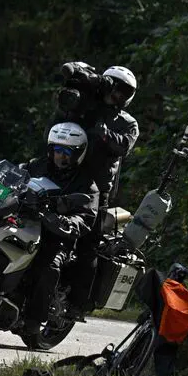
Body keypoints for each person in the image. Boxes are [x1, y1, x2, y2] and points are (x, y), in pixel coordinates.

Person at [55, 64, 140, 320]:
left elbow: (123, 146)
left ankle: (77, 304)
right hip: (60, 175)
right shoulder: (84, 104)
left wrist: (101, 130)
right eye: (116, 87)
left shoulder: (127, 122)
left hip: (96, 189)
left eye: (125, 92)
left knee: (87, 246)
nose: (119, 95)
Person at [19, 122, 99, 339]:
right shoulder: (36, 166)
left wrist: (65, 222)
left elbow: (85, 217)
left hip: (56, 237)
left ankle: (33, 321)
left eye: (66, 152)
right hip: (25, 224)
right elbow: (15, 176)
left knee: (49, 268)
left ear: (78, 154)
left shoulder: (86, 184)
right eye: (57, 150)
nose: (60, 156)